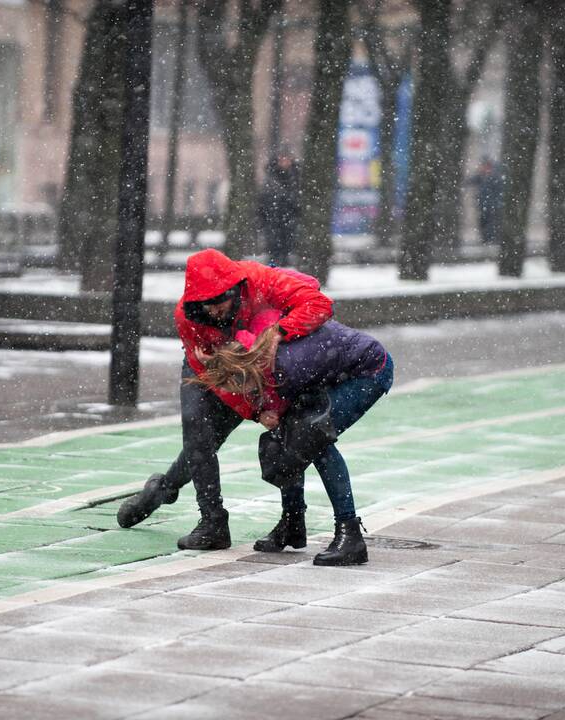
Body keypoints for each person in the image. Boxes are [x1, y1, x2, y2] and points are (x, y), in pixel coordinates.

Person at [115, 248, 333, 550]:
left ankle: (162, 489)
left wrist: (277, 333)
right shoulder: (188, 316)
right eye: (206, 306)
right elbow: (214, 378)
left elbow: (319, 304)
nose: (215, 312)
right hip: (210, 367)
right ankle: (213, 522)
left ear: (236, 289)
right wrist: (253, 412)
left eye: (220, 302)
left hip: (257, 365)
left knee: (215, 439)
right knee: (197, 431)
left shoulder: (260, 281)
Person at [191, 319, 394, 565]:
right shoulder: (257, 357)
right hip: (332, 369)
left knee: (315, 440)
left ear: (246, 372)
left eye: (241, 388)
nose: (243, 395)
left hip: (370, 370)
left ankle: (349, 534)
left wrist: (271, 412)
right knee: (288, 438)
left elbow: (284, 406)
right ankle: (293, 522)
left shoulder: (286, 367)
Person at [257, 151, 302, 267]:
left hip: (288, 221)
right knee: (274, 251)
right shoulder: (271, 179)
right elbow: (263, 202)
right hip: (273, 221)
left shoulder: (295, 178)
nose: (284, 162)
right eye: (282, 159)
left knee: (286, 250)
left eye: (287, 159)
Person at [467, 157, 503, 245]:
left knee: (490, 224)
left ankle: (490, 240)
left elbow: (498, 191)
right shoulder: (481, 176)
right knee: (483, 222)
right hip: (483, 205)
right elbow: (470, 181)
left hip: (492, 206)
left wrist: (496, 203)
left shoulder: (495, 177)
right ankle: (485, 240)